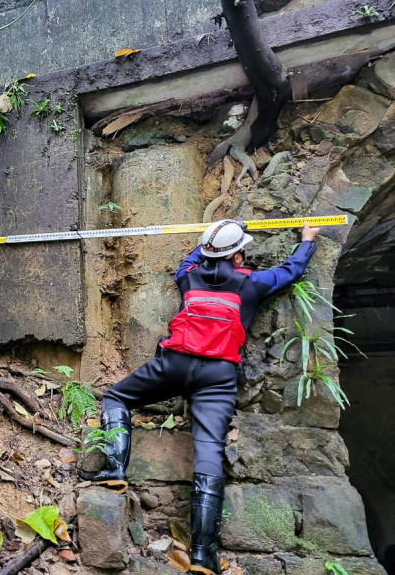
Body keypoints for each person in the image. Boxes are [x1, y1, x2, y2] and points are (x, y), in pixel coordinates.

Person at [81, 219, 321, 574]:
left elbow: (187, 261)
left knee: (116, 397)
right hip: (217, 376)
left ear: (206, 253)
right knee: (208, 452)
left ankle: (115, 468)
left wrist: (208, 242)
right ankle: (202, 556)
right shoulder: (251, 284)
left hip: (174, 365)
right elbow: (291, 271)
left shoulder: (188, 277)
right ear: (239, 256)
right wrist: (307, 240)